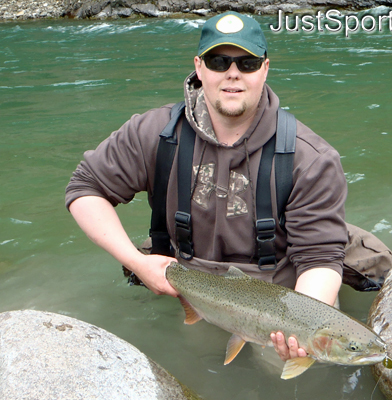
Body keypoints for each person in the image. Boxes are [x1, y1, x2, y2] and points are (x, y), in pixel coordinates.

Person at [65, 11, 349, 362]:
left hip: (284, 297)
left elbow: (320, 259)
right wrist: (135, 262)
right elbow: (84, 187)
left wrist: (301, 329)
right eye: (219, 61)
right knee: (194, 363)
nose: (233, 73)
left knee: (286, 369)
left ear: (265, 68)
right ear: (199, 68)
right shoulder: (155, 133)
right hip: (195, 292)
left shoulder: (311, 158)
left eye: (247, 62)